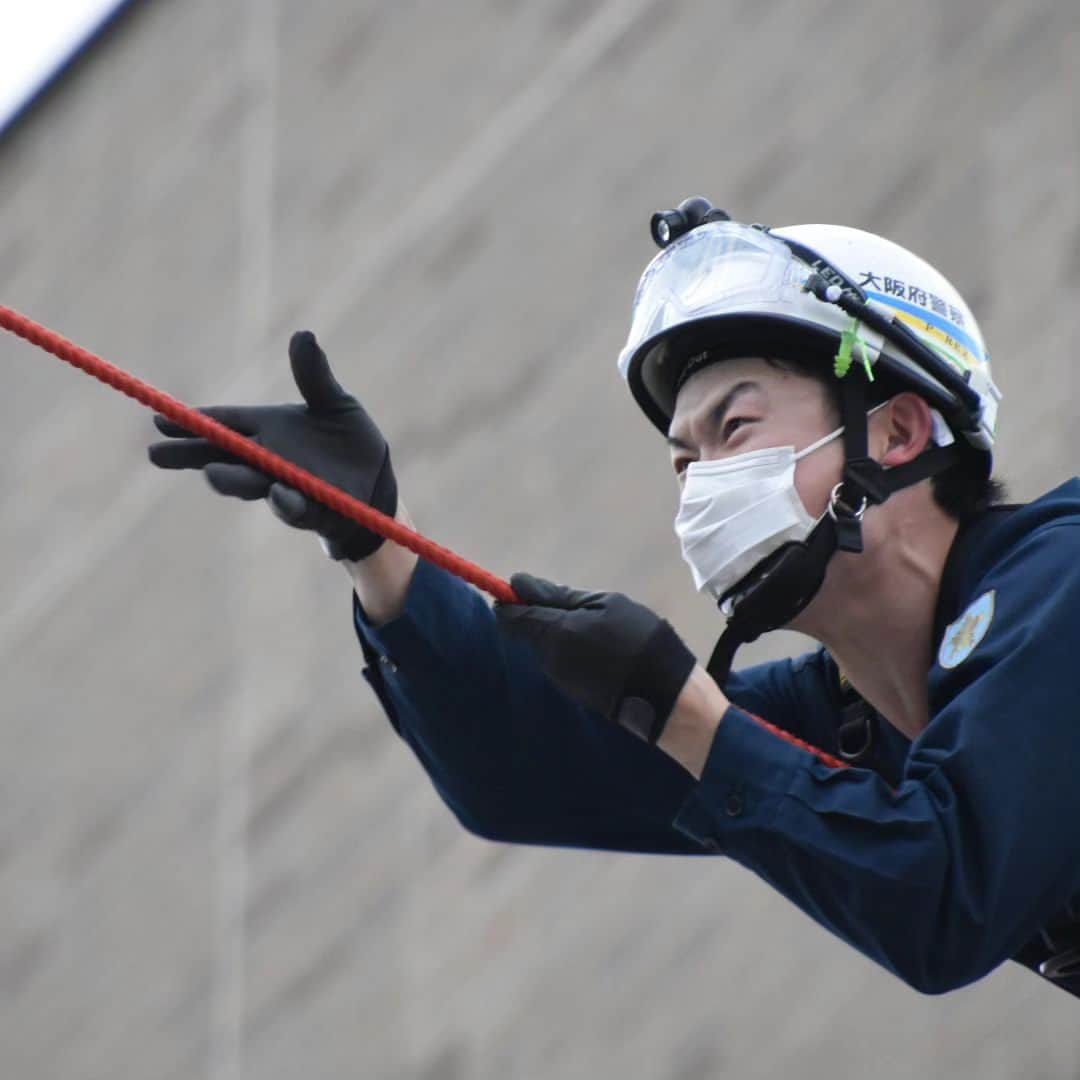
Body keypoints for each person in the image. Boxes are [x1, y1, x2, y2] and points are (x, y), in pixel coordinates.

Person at [148, 199, 1080, 999]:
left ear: (902, 428)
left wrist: (679, 709)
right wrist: (374, 542)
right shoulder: (842, 720)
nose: (700, 485)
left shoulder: (1063, 576)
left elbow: (947, 894)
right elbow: (520, 771)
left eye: (735, 427)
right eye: (684, 462)